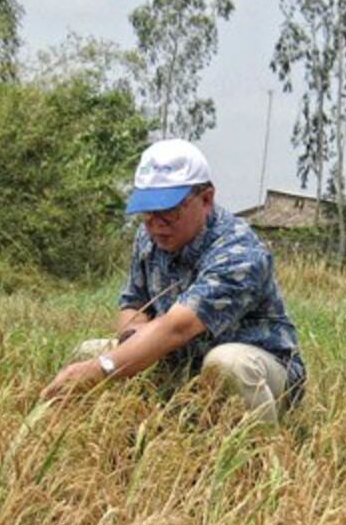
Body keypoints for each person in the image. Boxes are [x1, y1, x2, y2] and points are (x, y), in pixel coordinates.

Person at [41, 138, 305, 422]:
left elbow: (178, 327)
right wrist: (131, 342)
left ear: (206, 199)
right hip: (181, 361)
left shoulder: (239, 251)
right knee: (90, 352)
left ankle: (257, 460)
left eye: (169, 211)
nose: (156, 224)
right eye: (148, 213)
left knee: (227, 363)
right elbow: (135, 303)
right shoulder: (149, 236)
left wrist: (105, 367)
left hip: (261, 372)